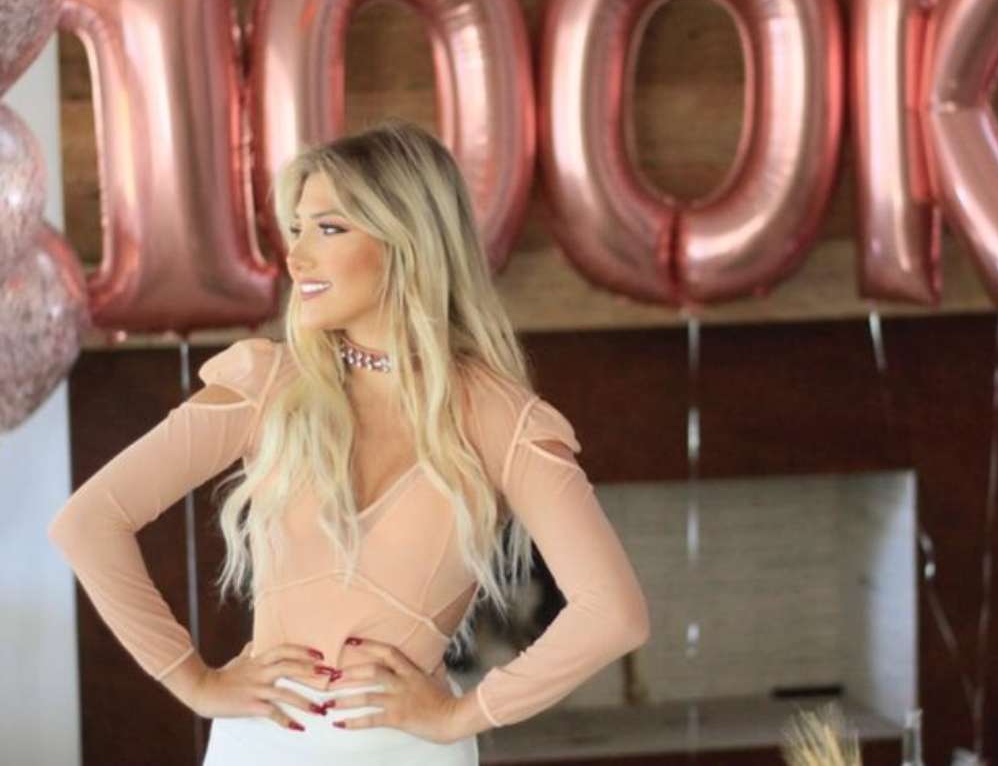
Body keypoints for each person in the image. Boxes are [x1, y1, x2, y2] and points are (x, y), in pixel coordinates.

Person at [47, 121, 652, 765]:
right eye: (297, 229)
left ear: (408, 242)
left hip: (409, 752)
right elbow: (87, 522)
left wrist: (462, 714)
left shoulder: (500, 417)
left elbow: (614, 613)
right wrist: (192, 681)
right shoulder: (270, 385)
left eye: (329, 229)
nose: (297, 256)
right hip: (261, 747)